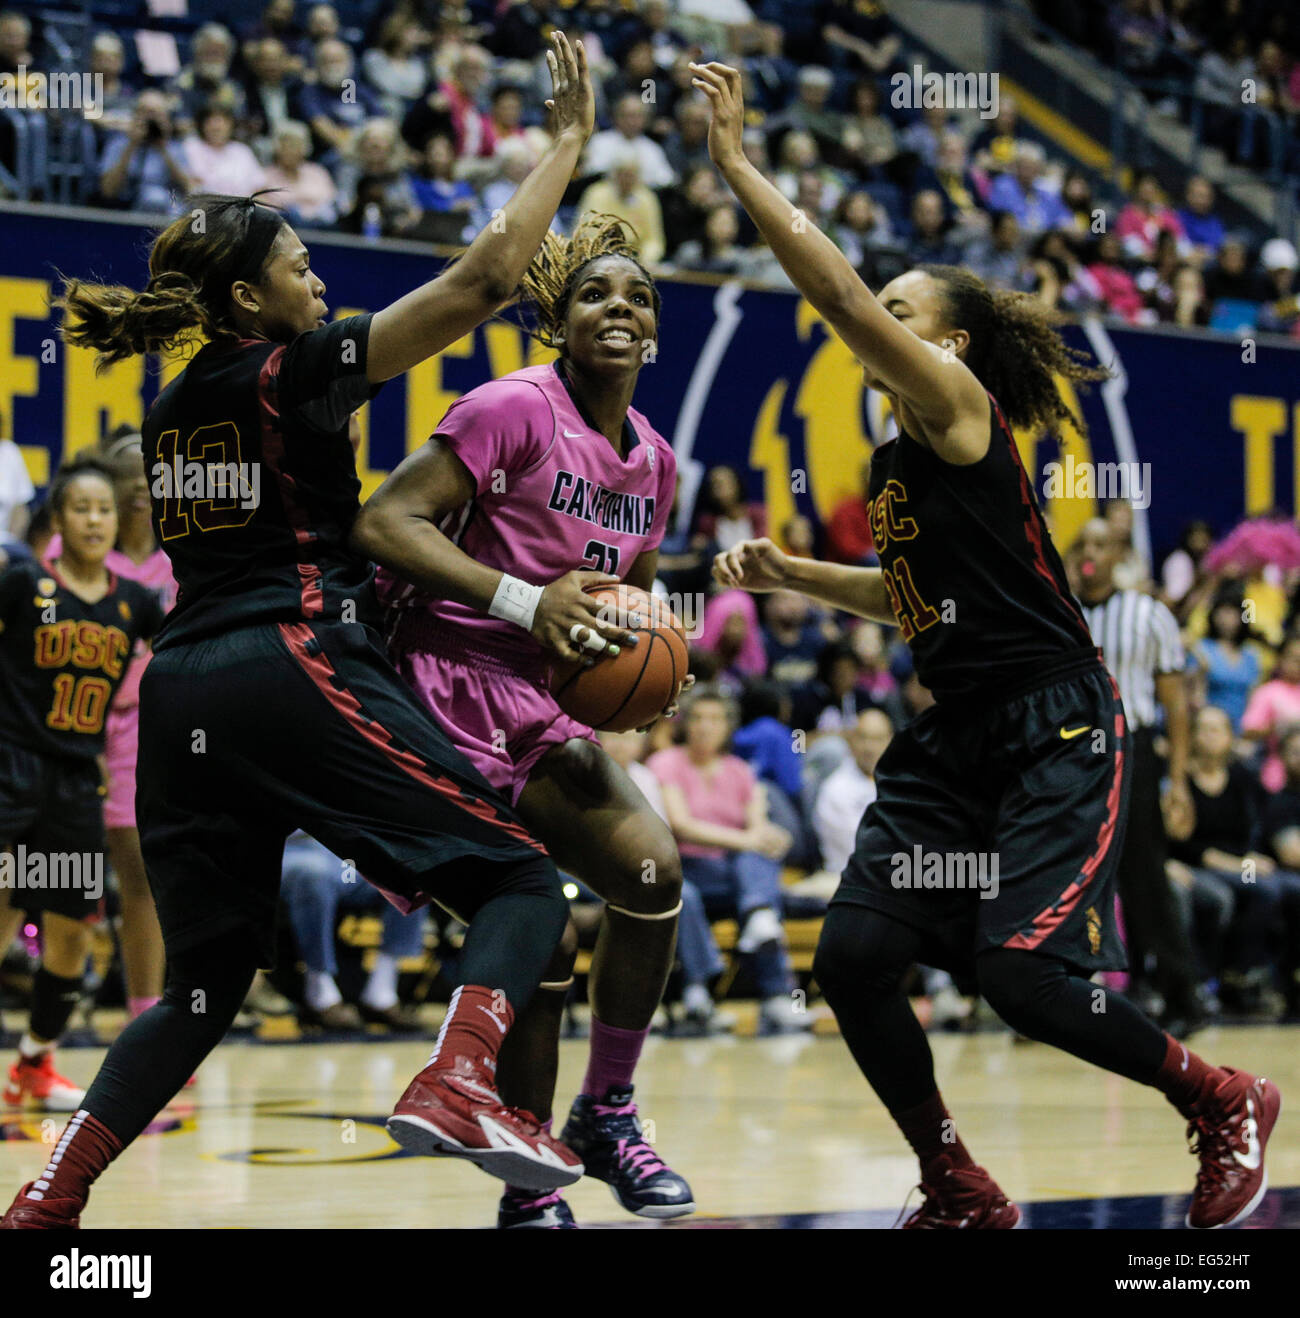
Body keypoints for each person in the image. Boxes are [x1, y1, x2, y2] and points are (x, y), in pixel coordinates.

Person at [2, 31, 605, 1230]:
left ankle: (48, 1197)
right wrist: (570, 140)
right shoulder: (282, 372)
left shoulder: (170, 409)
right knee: (523, 880)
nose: (318, 280)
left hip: (183, 693)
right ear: (247, 301)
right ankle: (457, 1077)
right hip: (287, 657)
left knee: (203, 982)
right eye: (298, 266)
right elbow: (484, 282)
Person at [693, 57, 1281, 1231]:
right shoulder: (905, 458)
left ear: (952, 346)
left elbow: (846, 305)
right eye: (894, 311)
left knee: (1023, 979)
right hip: (956, 739)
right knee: (855, 957)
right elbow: (914, 602)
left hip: (1058, 726)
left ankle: (1221, 1096)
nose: (885, 325)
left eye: (908, 312)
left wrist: (740, 168)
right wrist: (788, 568)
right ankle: (954, 1178)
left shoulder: (963, 414)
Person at [357, 214, 694, 1229]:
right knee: (538, 931)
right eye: (595, 293)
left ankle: (606, 1114)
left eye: (636, 296)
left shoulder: (658, 467)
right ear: (558, 319)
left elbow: (620, 594)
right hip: (438, 677)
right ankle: (526, 1183)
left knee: (651, 873)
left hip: (536, 698)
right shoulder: (510, 407)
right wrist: (523, 601)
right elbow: (381, 522)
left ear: (656, 334)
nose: (618, 308)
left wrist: (638, 657)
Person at [0, 458, 164, 1112]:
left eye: (103, 509)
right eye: (81, 509)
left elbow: (192, 651)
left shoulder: (135, 603)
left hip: (74, 782)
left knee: (70, 931)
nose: (94, 519)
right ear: (59, 520)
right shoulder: (21, 585)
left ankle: (34, 1062)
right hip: (11, 767)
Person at [1075, 518, 1203, 1035]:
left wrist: (1178, 781)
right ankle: (1065, 997)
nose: (1089, 552)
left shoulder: (1148, 614)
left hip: (1134, 751)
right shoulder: (1060, 615)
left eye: (1100, 544)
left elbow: (1175, 704)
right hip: (1074, 754)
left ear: (1118, 555)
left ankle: (1182, 995)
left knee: (1144, 876)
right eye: (1082, 543)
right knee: (1072, 875)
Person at [648, 688, 808, 1034]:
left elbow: (758, 826)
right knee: (690, 892)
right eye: (699, 718)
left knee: (758, 863)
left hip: (734, 874)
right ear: (686, 723)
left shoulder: (739, 770)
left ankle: (776, 989)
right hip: (687, 868)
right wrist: (752, 839)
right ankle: (699, 990)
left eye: (715, 719)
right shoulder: (666, 763)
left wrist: (769, 836)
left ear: (728, 727)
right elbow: (682, 826)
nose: (706, 726)